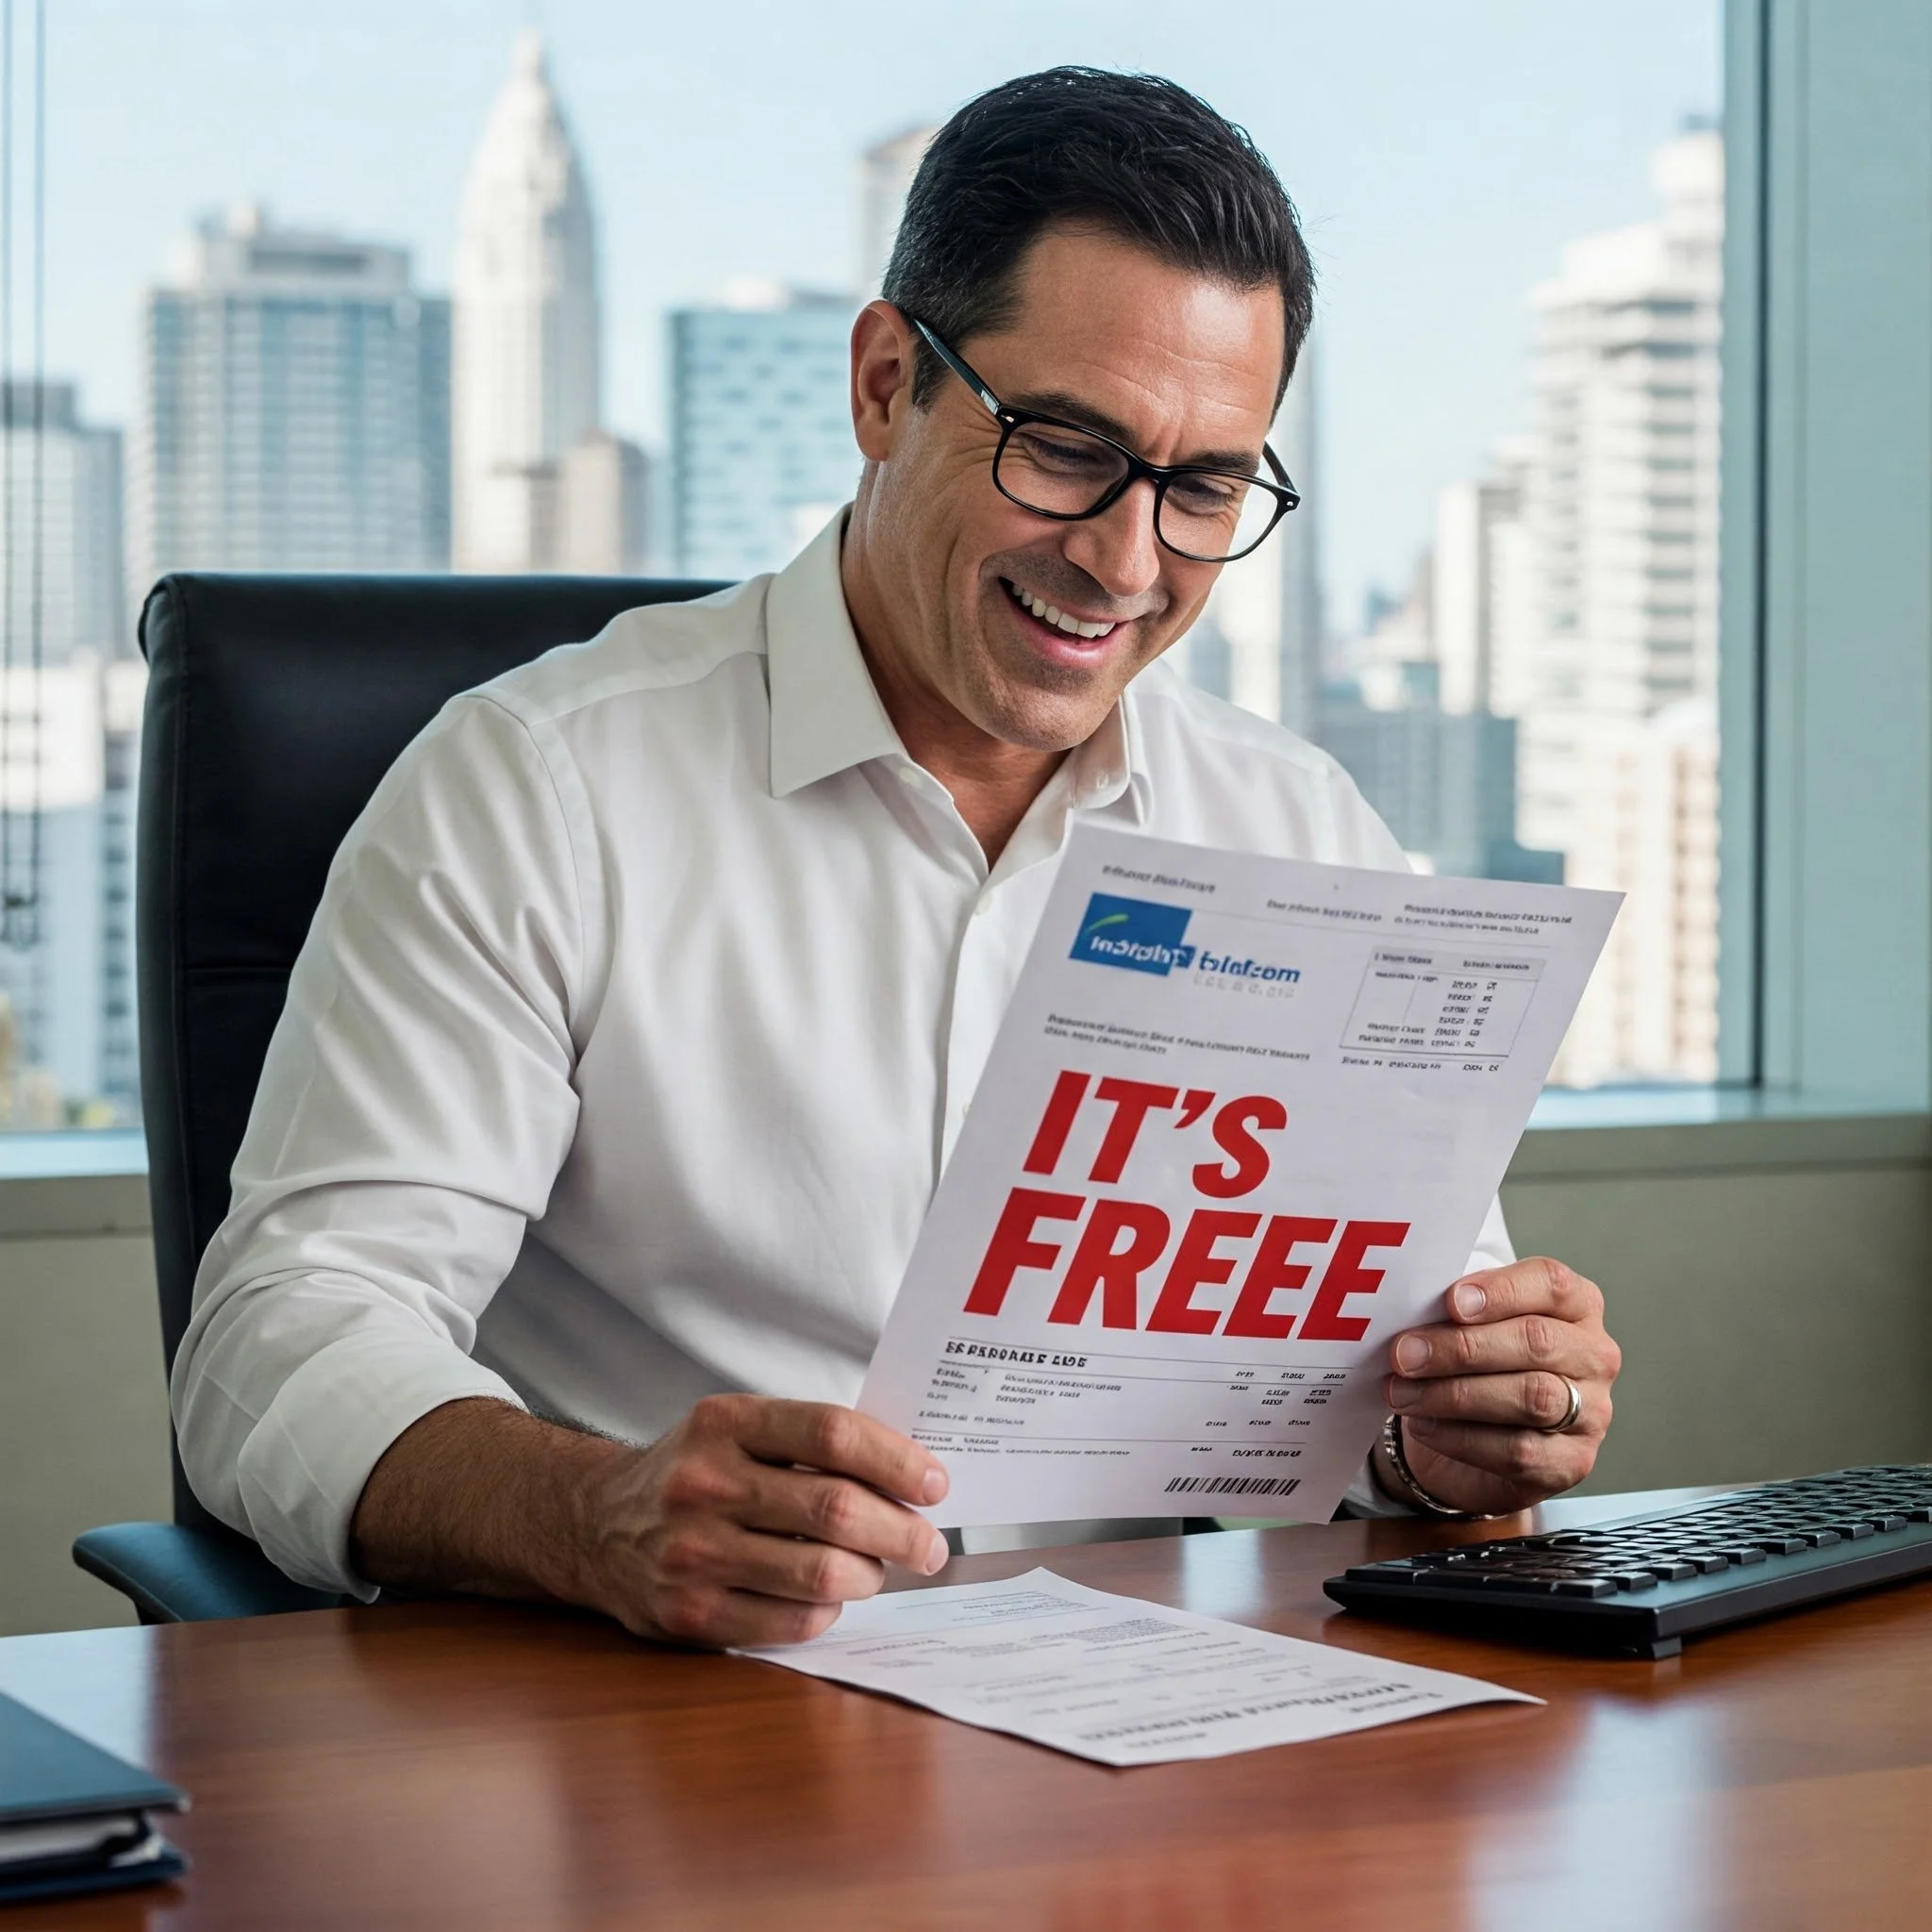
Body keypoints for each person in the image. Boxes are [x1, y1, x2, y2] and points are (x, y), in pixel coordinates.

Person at [173, 67, 1622, 1648]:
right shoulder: (541, 787)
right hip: (669, 1722)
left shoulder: (1298, 828)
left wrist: (1447, 1429)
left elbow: (1408, 1379)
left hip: (1151, 1731)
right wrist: (589, 1513)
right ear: (883, 385)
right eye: (1065, 449)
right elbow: (286, 1336)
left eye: (1204, 487)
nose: (1126, 563)